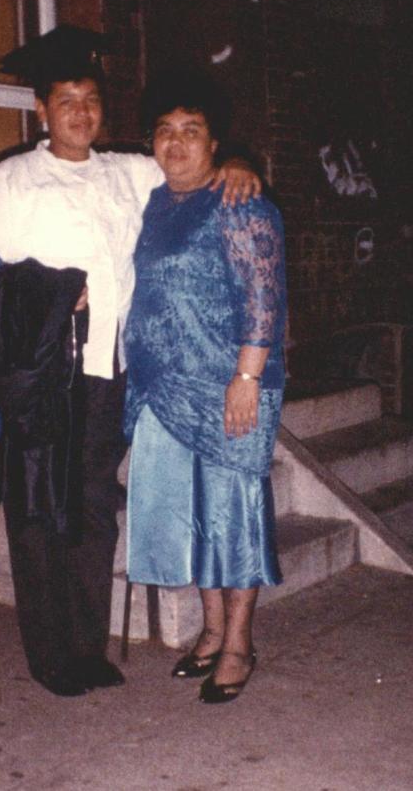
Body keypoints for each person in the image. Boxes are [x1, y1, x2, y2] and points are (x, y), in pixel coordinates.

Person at [0, 25, 261, 697]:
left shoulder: (129, 171)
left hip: (106, 377)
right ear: (42, 110)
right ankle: (52, 657)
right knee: (36, 511)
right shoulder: (16, 177)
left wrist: (236, 160)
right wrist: (52, 287)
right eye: (66, 101)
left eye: (90, 99)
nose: (80, 113)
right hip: (39, 377)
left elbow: (193, 168)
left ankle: (88, 649)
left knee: (92, 510)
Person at [124, 69, 287, 704]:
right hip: (164, 386)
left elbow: (264, 297)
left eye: (191, 131)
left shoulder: (241, 202)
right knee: (194, 516)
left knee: (232, 515)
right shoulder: (154, 200)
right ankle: (212, 630)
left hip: (228, 386)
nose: (176, 142)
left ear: (215, 143)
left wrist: (246, 376)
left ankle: (240, 644)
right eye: (164, 131)